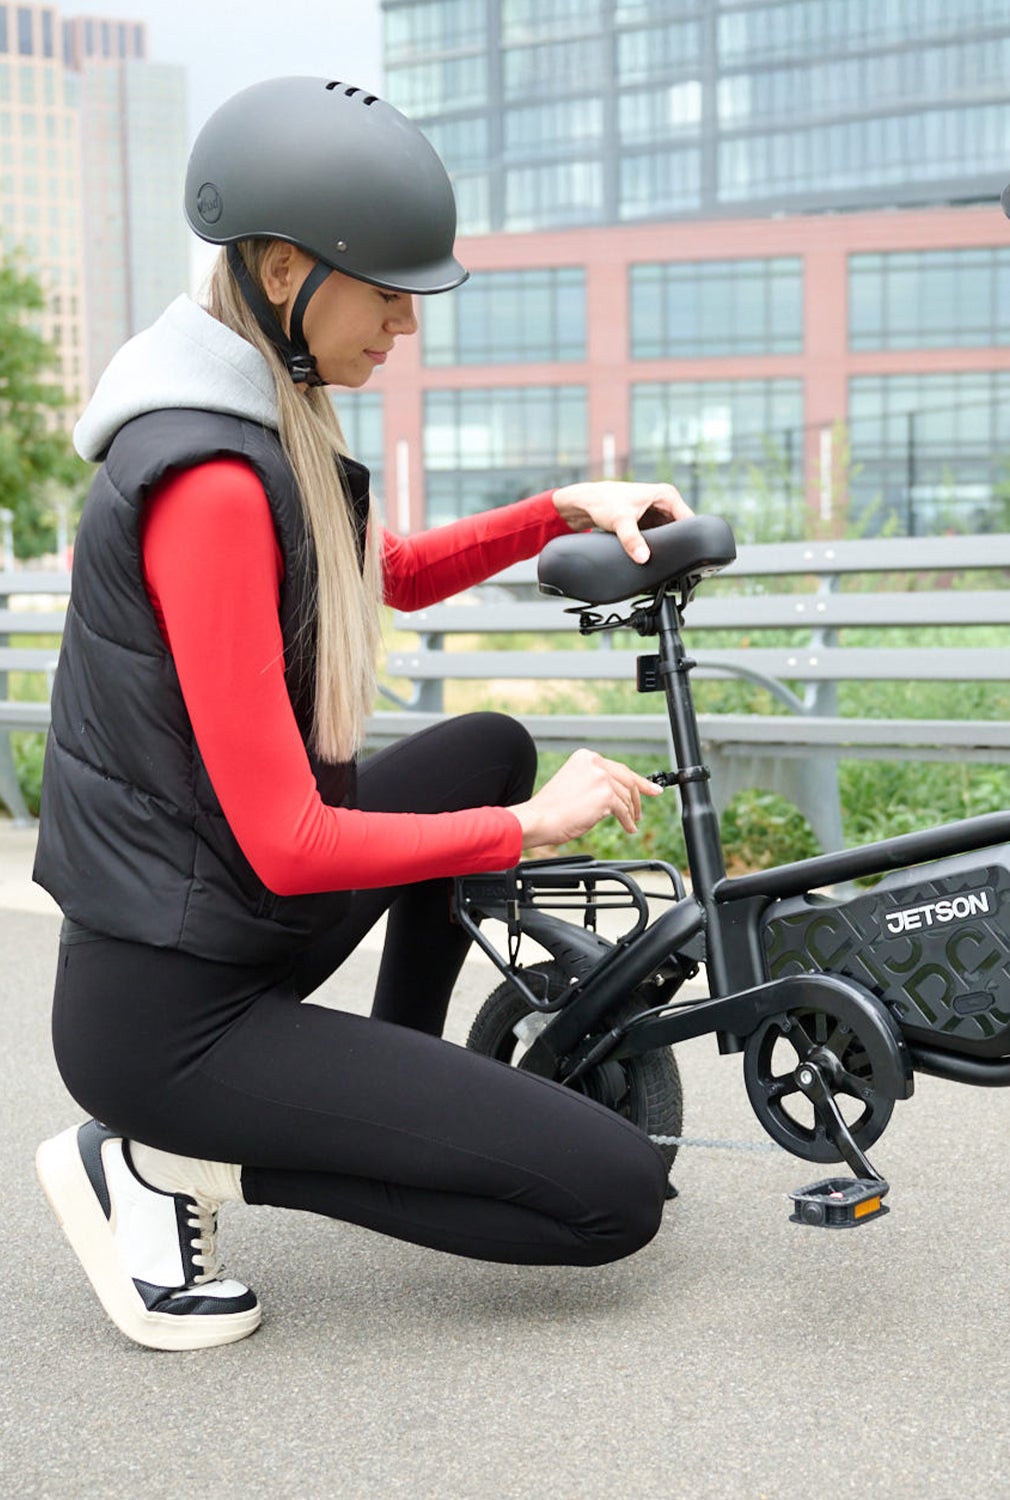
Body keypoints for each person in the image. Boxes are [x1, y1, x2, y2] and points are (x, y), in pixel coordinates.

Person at [32, 76, 690, 1352]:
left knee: (484, 741)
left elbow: (376, 573)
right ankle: (165, 1164)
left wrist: (562, 506)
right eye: (385, 289)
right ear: (285, 270)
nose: (404, 321)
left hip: (229, 917)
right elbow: (289, 839)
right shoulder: (211, 481)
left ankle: (392, 1082)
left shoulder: (263, 421)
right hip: (173, 1017)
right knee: (615, 1199)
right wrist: (523, 828)